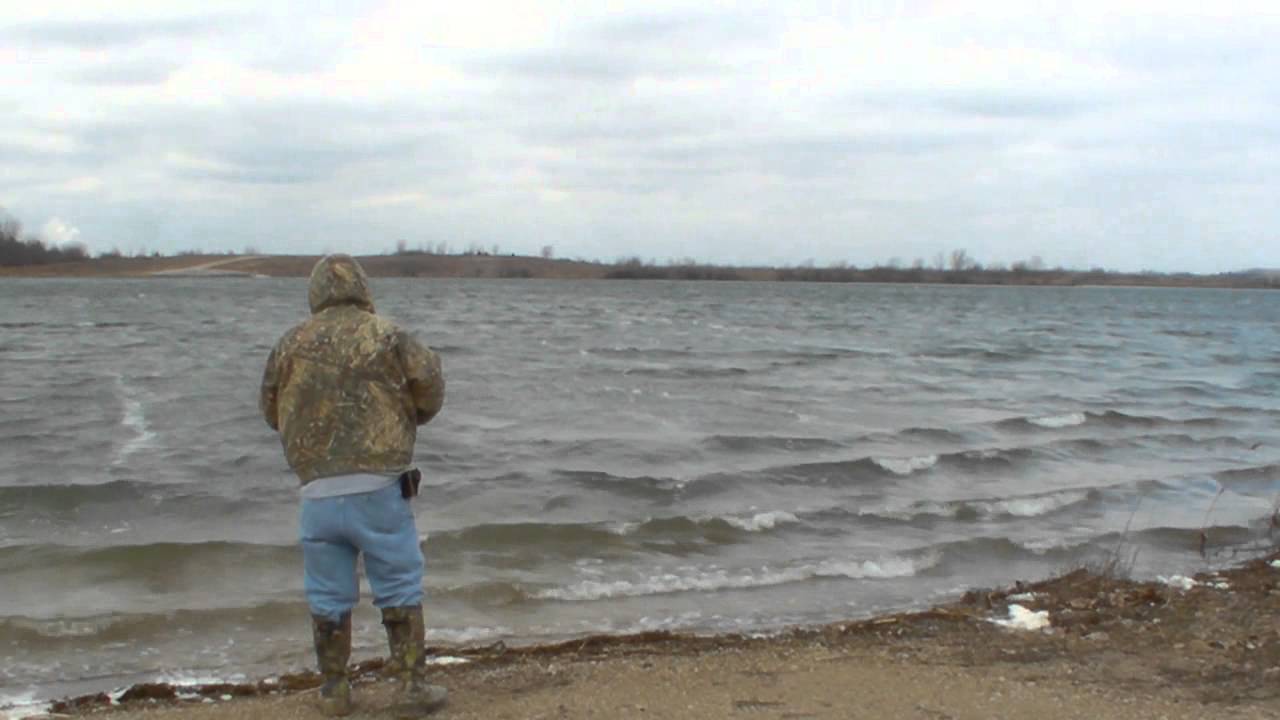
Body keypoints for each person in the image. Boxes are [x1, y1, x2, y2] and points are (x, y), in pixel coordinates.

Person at [259, 254, 447, 717]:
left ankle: (334, 690)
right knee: (399, 582)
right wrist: (409, 416)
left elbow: (270, 410)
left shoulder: (289, 344)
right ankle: (409, 686)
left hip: (317, 491)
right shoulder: (388, 334)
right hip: (380, 485)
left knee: (327, 591)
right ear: (363, 287)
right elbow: (430, 389)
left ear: (315, 291)